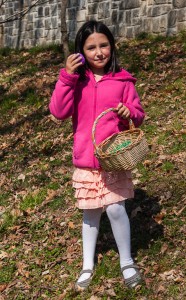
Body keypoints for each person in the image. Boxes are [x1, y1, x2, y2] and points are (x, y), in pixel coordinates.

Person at [49, 20, 145, 291]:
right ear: (81, 52)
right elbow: (58, 111)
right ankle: (87, 265)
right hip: (86, 161)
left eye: (104, 45)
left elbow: (138, 114)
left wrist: (130, 114)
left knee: (115, 208)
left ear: (112, 48)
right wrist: (66, 77)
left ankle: (126, 261)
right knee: (90, 214)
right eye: (91, 47)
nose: (99, 52)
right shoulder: (76, 82)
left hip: (113, 159)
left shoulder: (123, 80)